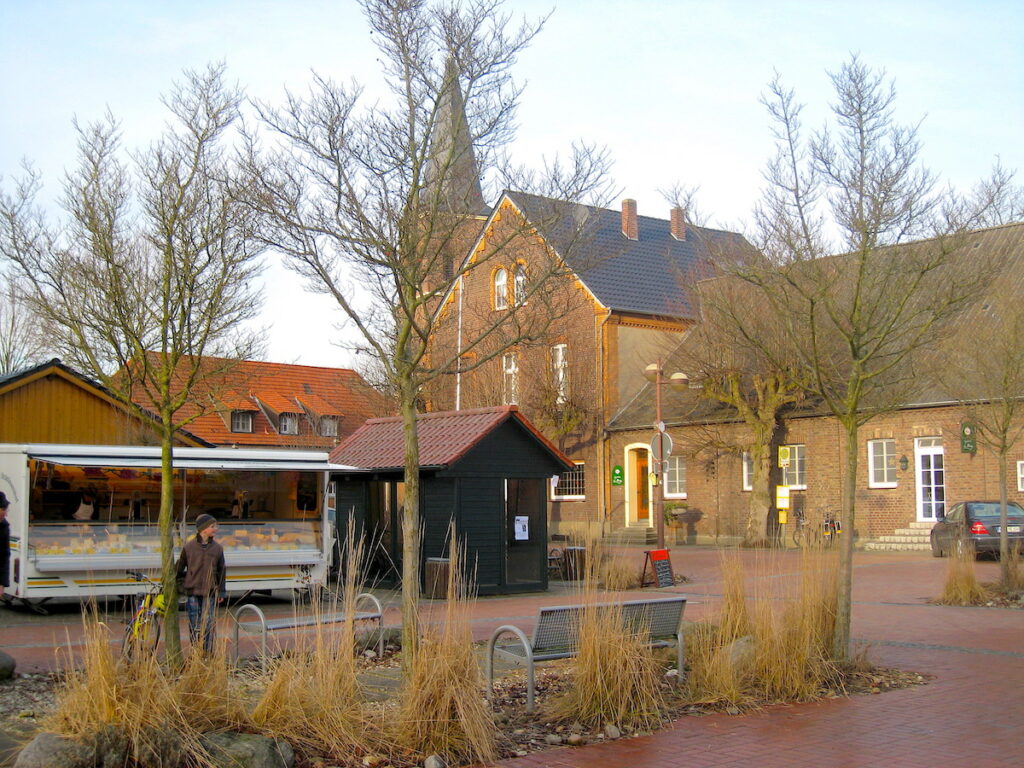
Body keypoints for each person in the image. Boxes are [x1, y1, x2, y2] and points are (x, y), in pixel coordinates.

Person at [175, 513, 226, 654]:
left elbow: (221, 571)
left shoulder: (217, 548)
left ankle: (207, 652)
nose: (215, 528)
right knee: (193, 622)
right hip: (192, 590)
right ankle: (195, 651)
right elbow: (179, 567)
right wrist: (180, 585)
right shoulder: (189, 547)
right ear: (203, 529)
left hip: (209, 591)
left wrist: (221, 590)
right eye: (212, 526)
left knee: (209, 623)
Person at [0, 492, 11, 604]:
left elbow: (4, 556)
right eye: (4, 510)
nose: (6, 514)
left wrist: (2, 583)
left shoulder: (4, 527)